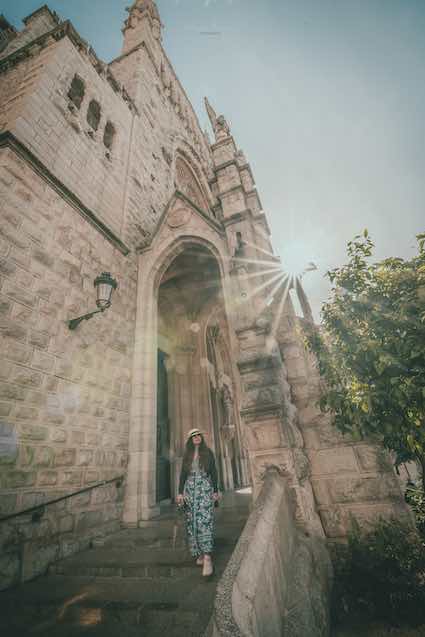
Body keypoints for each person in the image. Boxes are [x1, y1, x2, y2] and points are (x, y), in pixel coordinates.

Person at [177, 428, 219, 577]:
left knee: (205, 520)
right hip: (190, 490)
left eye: (198, 435)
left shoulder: (208, 453)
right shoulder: (187, 455)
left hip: (205, 489)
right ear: (190, 439)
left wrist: (215, 491)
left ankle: (207, 557)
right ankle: (199, 553)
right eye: (193, 436)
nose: (196, 437)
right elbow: (182, 474)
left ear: (201, 437)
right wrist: (180, 493)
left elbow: (213, 471)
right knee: (192, 521)